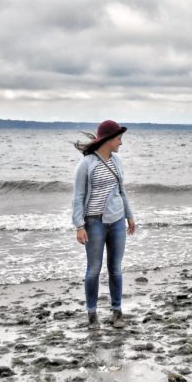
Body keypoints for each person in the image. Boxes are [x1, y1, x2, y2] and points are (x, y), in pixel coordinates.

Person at [72, 120, 136, 329]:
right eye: (118, 139)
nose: (120, 143)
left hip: (117, 221)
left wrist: (129, 216)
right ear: (108, 140)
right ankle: (92, 314)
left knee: (115, 269)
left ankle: (117, 313)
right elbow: (78, 197)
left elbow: (122, 191)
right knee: (94, 269)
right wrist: (79, 226)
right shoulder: (86, 164)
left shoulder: (117, 161)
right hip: (94, 222)